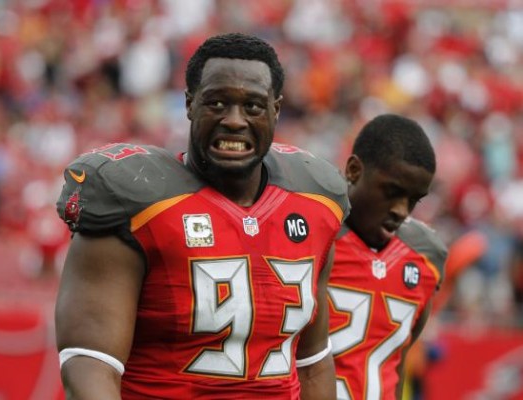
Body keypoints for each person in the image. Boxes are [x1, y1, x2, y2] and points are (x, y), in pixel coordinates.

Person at [54, 32, 349, 399]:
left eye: (253, 106)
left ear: (276, 110)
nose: (235, 121)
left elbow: (313, 362)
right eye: (217, 103)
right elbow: (90, 365)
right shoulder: (137, 203)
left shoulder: (315, 203)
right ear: (190, 104)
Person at [327, 114, 448, 400]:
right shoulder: (315, 234)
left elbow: (398, 360)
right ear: (354, 171)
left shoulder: (425, 256)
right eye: (392, 192)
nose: (401, 211)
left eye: (413, 200)